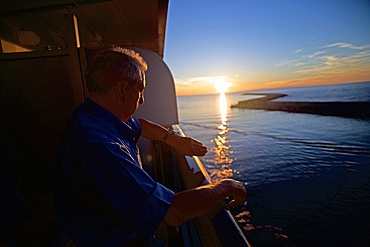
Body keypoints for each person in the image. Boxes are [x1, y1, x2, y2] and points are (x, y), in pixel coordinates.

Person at [53, 46, 247, 246]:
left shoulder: (92, 116)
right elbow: (174, 212)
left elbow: (140, 125)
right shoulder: (101, 147)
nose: (142, 100)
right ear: (121, 90)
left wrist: (172, 139)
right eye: (140, 92)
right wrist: (226, 185)